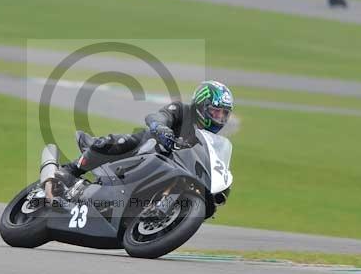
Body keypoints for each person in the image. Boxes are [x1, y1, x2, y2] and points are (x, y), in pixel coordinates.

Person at [53, 80, 234, 192]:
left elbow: (215, 166)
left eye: (223, 114)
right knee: (122, 142)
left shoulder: (211, 142)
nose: (219, 118)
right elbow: (157, 116)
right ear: (201, 105)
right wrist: (161, 128)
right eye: (215, 111)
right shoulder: (182, 111)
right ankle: (70, 170)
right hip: (148, 151)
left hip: (173, 174)